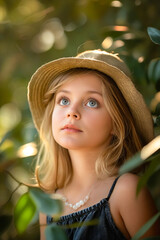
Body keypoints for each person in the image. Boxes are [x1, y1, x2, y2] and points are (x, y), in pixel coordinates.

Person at [27, 49, 160, 240]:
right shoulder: (48, 205)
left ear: (116, 123)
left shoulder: (127, 192)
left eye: (91, 102)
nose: (71, 112)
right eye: (64, 100)